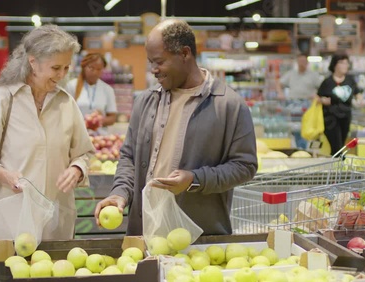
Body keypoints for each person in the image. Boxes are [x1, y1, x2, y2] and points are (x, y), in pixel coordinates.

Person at [93, 19, 258, 236]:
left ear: (185, 53)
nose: (153, 70)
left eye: (159, 61)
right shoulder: (146, 101)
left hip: (196, 237)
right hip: (144, 232)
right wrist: (120, 193)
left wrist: (195, 179)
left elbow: (245, 166)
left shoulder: (229, 105)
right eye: (151, 62)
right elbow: (129, 157)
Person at [0, 25, 95, 241]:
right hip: (11, 220)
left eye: (66, 67)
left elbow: (85, 153)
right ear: (32, 62)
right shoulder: (2, 100)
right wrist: (4, 175)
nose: (62, 75)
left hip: (56, 221)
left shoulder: (66, 103)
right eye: (56, 68)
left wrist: (77, 169)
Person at [317, 53, 365, 155]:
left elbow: (357, 93)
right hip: (331, 118)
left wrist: (360, 100)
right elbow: (318, 97)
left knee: (342, 143)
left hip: (346, 116)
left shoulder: (350, 80)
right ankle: (336, 167)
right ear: (335, 65)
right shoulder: (327, 82)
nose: (345, 65)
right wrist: (324, 100)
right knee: (336, 145)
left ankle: (336, 166)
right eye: (342, 63)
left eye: (347, 63)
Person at [276, 53, 322, 149]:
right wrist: (280, 93)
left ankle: (307, 147)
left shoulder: (313, 75)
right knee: (296, 127)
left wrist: (317, 96)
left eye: (304, 61)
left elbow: (322, 87)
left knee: (307, 127)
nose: (302, 63)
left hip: (308, 105)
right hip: (293, 104)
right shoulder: (291, 74)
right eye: (300, 61)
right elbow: (279, 83)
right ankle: (299, 147)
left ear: (307, 62)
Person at [66, 53, 118, 128]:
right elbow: (65, 114)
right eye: (91, 68)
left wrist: (99, 120)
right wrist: (83, 123)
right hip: (77, 136)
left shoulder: (108, 89)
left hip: (99, 137)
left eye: (99, 69)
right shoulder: (71, 86)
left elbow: (112, 118)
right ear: (84, 67)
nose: (95, 72)